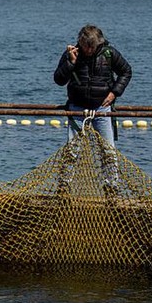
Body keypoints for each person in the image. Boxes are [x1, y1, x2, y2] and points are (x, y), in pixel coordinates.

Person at [53, 24, 132, 192]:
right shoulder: (71, 54)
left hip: (102, 109)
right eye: (85, 45)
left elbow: (126, 71)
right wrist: (70, 63)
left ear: (99, 43)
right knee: (71, 150)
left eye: (92, 46)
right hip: (76, 108)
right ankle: (64, 187)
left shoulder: (110, 53)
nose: (88, 50)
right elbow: (59, 80)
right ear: (80, 42)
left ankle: (112, 187)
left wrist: (114, 93)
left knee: (108, 150)